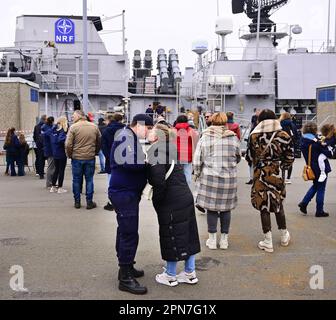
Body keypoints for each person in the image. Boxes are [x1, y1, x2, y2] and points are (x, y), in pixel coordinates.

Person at [147, 124, 201, 287]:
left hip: (171, 200)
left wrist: (158, 201)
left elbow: (158, 181)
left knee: (171, 234)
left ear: (157, 136)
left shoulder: (156, 151)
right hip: (184, 196)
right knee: (188, 234)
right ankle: (190, 272)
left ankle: (170, 275)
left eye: (152, 130)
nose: (149, 131)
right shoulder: (170, 149)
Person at [109, 114, 153, 295]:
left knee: (125, 230)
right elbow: (131, 162)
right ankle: (125, 277)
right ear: (139, 125)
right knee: (129, 233)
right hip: (124, 192)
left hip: (126, 191)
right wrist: (148, 164)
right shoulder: (126, 136)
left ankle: (126, 267)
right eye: (148, 128)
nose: (149, 132)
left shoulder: (128, 135)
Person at [246, 109, 294, 253]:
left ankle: (267, 240)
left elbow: (249, 156)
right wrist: (282, 166)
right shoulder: (283, 134)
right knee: (277, 202)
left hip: (260, 173)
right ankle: (284, 235)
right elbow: (290, 157)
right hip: (276, 173)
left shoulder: (253, 135)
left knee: (263, 205)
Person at [194, 113, 241, 250]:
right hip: (229, 178)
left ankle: (212, 239)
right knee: (226, 209)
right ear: (225, 122)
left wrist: (197, 174)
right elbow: (238, 157)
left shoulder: (205, 137)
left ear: (212, 122)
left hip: (210, 178)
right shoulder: (233, 138)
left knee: (212, 208)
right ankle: (224, 240)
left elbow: (198, 159)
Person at [65, 110, 101, 209]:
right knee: (89, 180)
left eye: (73, 116)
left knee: (76, 180)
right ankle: (89, 202)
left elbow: (68, 144)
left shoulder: (73, 127)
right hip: (90, 157)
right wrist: (95, 152)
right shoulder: (94, 126)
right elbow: (99, 140)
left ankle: (77, 202)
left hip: (77, 158)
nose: (72, 118)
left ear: (79, 116)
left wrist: (69, 155)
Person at [298, 122, 333, 218]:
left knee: (316, 186)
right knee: (321, 188)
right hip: (321, 168)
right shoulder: (317, 142)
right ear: (314, 130)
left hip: (311, 167)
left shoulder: (303, 140)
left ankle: (304, 203)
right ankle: (319, 210)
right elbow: (329, 154)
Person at [101, 113, 125, 211]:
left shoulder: (106, 130)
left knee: (111, 182)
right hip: (124, 160)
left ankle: (112, 202)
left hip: (111, 161)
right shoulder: (126, 130)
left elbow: (104, 147)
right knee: (123, 182)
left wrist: (110, 157)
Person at [174, 115, 199, 188]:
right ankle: (186, 189)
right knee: (187, 173)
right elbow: (196, 141)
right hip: (188, 156)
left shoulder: (173, 130)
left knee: (177, 174)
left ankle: (178, 189)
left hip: (177, 156)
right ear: (187, 121)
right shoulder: (191, 130)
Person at [279, 112, 299, 184]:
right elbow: (296, 135)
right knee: (290, 161)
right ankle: (288, 178)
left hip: (282, 145)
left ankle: (283, 177)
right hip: (291, 145)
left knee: (282, 161)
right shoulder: (293, 124)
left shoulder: (280, 124)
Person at [50, 116, 68, 194]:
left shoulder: (54, 130)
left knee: (56, 170)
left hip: (55, 153)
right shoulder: (62, 131)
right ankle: (60, 188)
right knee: (61, 170)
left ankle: (53, 187)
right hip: (61, 153)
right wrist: (66, 140)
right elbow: (61, 140)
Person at [42, 117, 55, 189]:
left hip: (49, 149)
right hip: (50, 150)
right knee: (50, 167)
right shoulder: (46, 128)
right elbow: (48, 135)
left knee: (52, 167)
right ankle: (49, 184)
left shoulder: (46, 127)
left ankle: (51, 182)